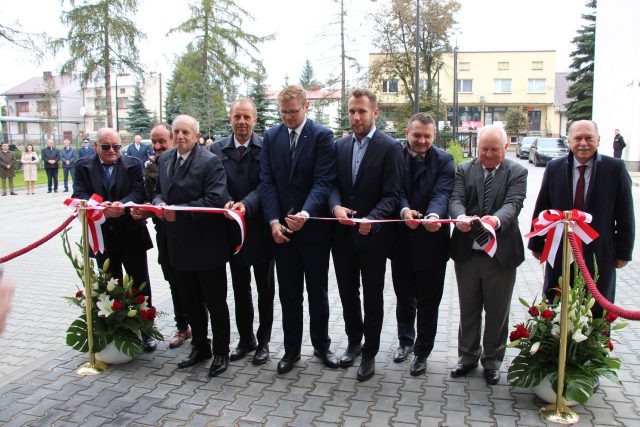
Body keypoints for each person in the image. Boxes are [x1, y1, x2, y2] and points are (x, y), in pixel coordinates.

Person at [259, 84, 339, 374]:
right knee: (289, 294)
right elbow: (266, 182)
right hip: (282, 232)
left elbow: (323, 180)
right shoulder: (271, 136)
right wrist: (273, 222)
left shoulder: (322, 136)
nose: (289, 118)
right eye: (284, 113)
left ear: (307, 107)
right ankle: (291, 350)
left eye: (294, 112)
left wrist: (306, 212)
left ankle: (321, 345)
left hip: (313, 230)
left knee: (317, 292)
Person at [329, 88, 403, 381]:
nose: (356, 117)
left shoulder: (390, 147)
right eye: (351, 111)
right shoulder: (340, 146)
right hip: (343, 235)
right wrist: (335, 207)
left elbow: (393, 195)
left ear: (375, 112)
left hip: (373, 237)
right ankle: (353, 343)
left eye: (361, 111)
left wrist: (373, 219)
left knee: (372, 296)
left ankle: (370, 353)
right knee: (348, 293)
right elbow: (331, 184)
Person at [153, 114, 233, 377]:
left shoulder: (210, 162)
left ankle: (221, 352)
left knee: (215, 302)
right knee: (190, 301)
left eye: (186, 132)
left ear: (196, 136)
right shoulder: (165, 159)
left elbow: (215, 200)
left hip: (207, 244)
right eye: (176, 131)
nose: (180, 137)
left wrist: (179, 211)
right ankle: (200, 346)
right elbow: (157, 191)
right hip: (178, 244)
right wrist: (158, 204)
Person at [529, 120, 634, 319]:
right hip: (560, 251)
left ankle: (595, 349)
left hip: (600, 253)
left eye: (589, 138)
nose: (583, 143)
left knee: (597, 310)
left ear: (599, 140)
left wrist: (624, 252)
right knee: (555, 307)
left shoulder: (615, 168)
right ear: (569, 141)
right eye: (578, 138)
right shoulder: (554, 168)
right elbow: (542, 207)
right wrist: (536, 244)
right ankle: (558, 350)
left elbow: (625, 213)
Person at [448, 124, 527, 385]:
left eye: (495, 149)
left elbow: (513, 204)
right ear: (477, 148)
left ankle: (492, 361)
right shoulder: (464, 170)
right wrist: (459, 216)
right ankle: (467, 357)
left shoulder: (518, 171)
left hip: (501, 256)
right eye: (484, 149)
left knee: (497, 311)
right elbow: (456, 199)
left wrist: (495, 220)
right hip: (468, 254)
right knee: (468, 309)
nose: (489, 154)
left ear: (505, 147)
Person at [73, 128, 157, 352]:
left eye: (117, 147)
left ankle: (146, 330)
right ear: (96, 147)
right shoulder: (83, 166)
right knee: (111, 283)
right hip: (102, 235)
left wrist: (122, 205)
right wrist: (100, 208)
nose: (112, 151)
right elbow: (78, 194)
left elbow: (138, 192)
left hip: (130, 233)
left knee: (140, 283)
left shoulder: (132, 164)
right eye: (106, 147)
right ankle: (118, 330)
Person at [389, 113, 455, 376]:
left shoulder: (445, 160)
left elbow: (442, 192)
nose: (422, 140)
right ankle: (405, 342)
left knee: (429, 301)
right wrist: (405, 211)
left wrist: (433, 216)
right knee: (404, 296)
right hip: (401, 239)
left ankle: (422, 351)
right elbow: (395, 190)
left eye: (427, 136)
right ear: (407, 133)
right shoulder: (396, 155)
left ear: (434, 136)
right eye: (417, 135)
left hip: (432, 240)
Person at [211, 99, 275, 365]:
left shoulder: (266, 147)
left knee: (265, 289)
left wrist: (246, 204)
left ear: (255, 120)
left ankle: (264, 341)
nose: (242, 122)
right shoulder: (216, 149)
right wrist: (225, 200)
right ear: (230, 119)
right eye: (237, 116)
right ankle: (246, 338)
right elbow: (215, 181)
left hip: (259, 228)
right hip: (232, 231)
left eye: (247, 117)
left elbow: (266, 184)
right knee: (240, 289)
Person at [130, 123, 192, 349]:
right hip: (164, 234)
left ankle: (201, 325)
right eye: (153, 142)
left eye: (162, 141)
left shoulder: (188, 162)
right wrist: (144, 209)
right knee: (173, 280)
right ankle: (183, 326)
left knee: (194, 282)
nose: (157, 146)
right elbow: (150, 197)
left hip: (190, 233)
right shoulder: (151, 167)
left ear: (173, 140)